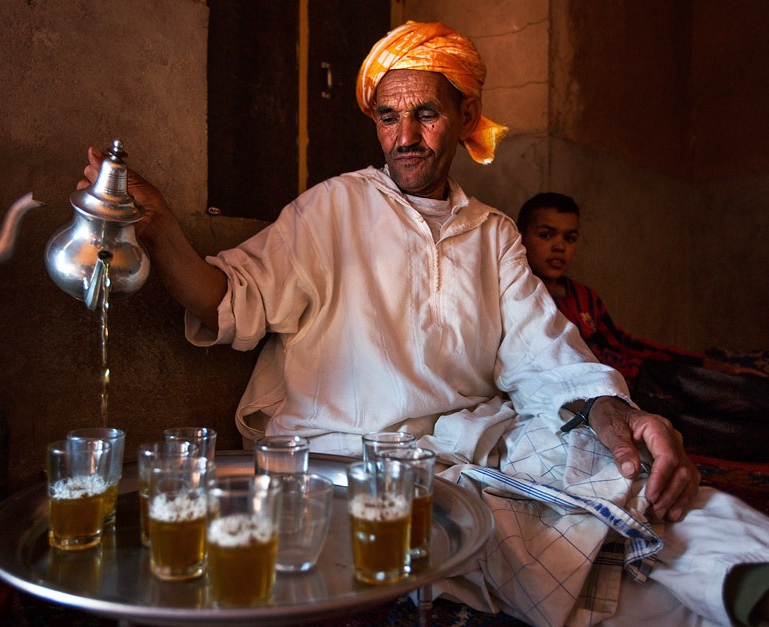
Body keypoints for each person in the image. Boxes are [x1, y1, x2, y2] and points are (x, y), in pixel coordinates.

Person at [81, 21, 769, 627]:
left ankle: (751, 575)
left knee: (630, 473)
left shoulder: (493, 233)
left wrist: (612, 405)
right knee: (520, 535)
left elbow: (543, 349)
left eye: (426, 114)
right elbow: (226, 296)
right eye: (387, 117)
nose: (403, 137)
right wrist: (163, 223)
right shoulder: (333, 210)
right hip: (347, 450)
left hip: (471, 436)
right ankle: (713, 601)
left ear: (466, 113)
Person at [518, 192, 769, 462]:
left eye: (570, 238)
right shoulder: (525, 298)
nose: (559, 247)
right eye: (546, 235)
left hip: (650, 373)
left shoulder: (584, 296)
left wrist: (708, 363)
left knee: (742, 392)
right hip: (625, 400)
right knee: (731, 436)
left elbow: (625, 343)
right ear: (519, 237)